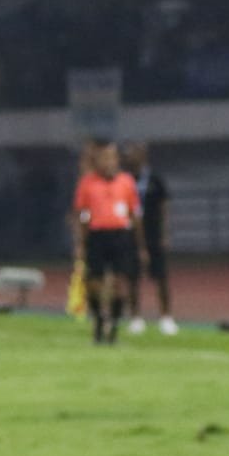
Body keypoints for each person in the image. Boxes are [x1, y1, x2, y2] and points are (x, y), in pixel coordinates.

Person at [68, 140, 142, 344]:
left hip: (120, 235)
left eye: (111, 157)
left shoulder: (126, 182)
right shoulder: (88, 183)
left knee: (120, 283)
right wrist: (80, 242)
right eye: (104, 157)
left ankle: (114, 325)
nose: (108, 161)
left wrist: (139, 244)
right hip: (97, 235)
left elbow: (134, 213)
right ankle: (99, 319)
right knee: (94, 283)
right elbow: (81, 214)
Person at [120, 142, 176, 335]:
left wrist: (165, 233)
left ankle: (166, 317)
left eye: (134, 153)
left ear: (143, 155)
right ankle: (135, 318)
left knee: (160, 276)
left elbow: (164, 208)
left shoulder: (155, 180)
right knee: (132, 277)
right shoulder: (124, 180)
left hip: (153, 233)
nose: (130, 157)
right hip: (130, 235)